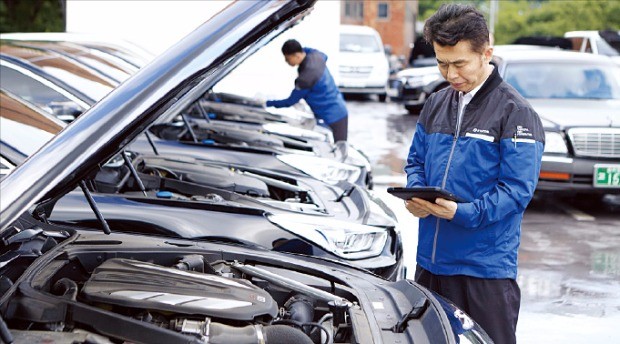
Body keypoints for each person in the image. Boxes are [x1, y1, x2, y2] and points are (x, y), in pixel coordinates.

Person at [403, 4, 544, 344]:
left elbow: (515, 192)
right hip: (431, 264)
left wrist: (462, 213)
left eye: (459, 63)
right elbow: (416, 161)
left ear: (486, 53)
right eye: (441, 62)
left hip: (484, 272)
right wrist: (415, 193)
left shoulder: (517, 113)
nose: (450, 74)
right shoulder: (436, 103)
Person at [266, 39, 349, 141]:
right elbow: (323, 55)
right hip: (338, 107)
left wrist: (266, 103)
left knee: (336, 148)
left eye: (288, 59)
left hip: (331, 116)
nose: (286, 62)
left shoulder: (306, 77)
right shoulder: (316, 55)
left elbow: (290, 101)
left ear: (297, 55)